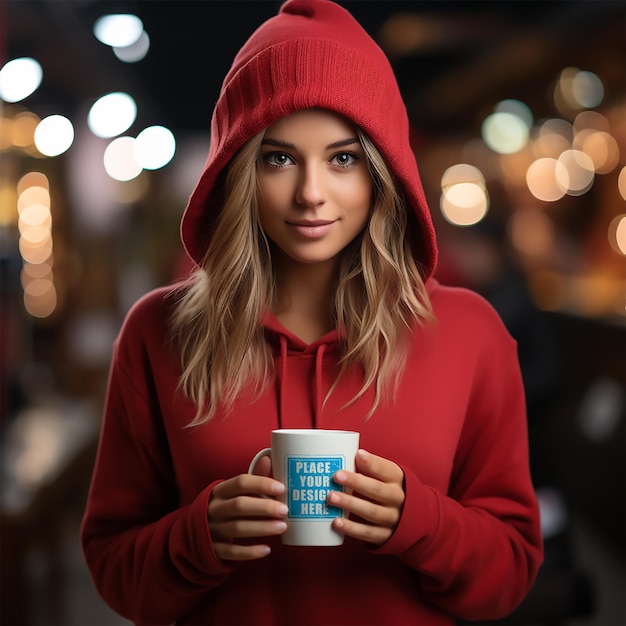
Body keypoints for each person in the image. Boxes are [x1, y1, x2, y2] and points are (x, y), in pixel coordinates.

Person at [81, 1, 543, 624]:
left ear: (384, 172)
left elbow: (508, 577)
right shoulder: (157, 332)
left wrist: (422, 521)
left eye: (343, 158)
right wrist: (197, 540)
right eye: (278, 157)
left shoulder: (470, 334)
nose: (311, 192)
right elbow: (114, 570)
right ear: (238, 171)